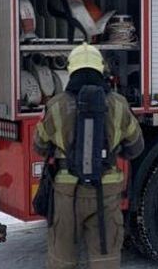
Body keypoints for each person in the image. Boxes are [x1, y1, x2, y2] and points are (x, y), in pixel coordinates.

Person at [34, 44, 144, 269]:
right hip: (107, 192)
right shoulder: (119, 104)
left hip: (66, 193)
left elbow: (39, 145)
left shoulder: (55, 105)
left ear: (71, 70)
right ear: (100, 69)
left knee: (61, 260)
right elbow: (136, 147)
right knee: (105, 259)